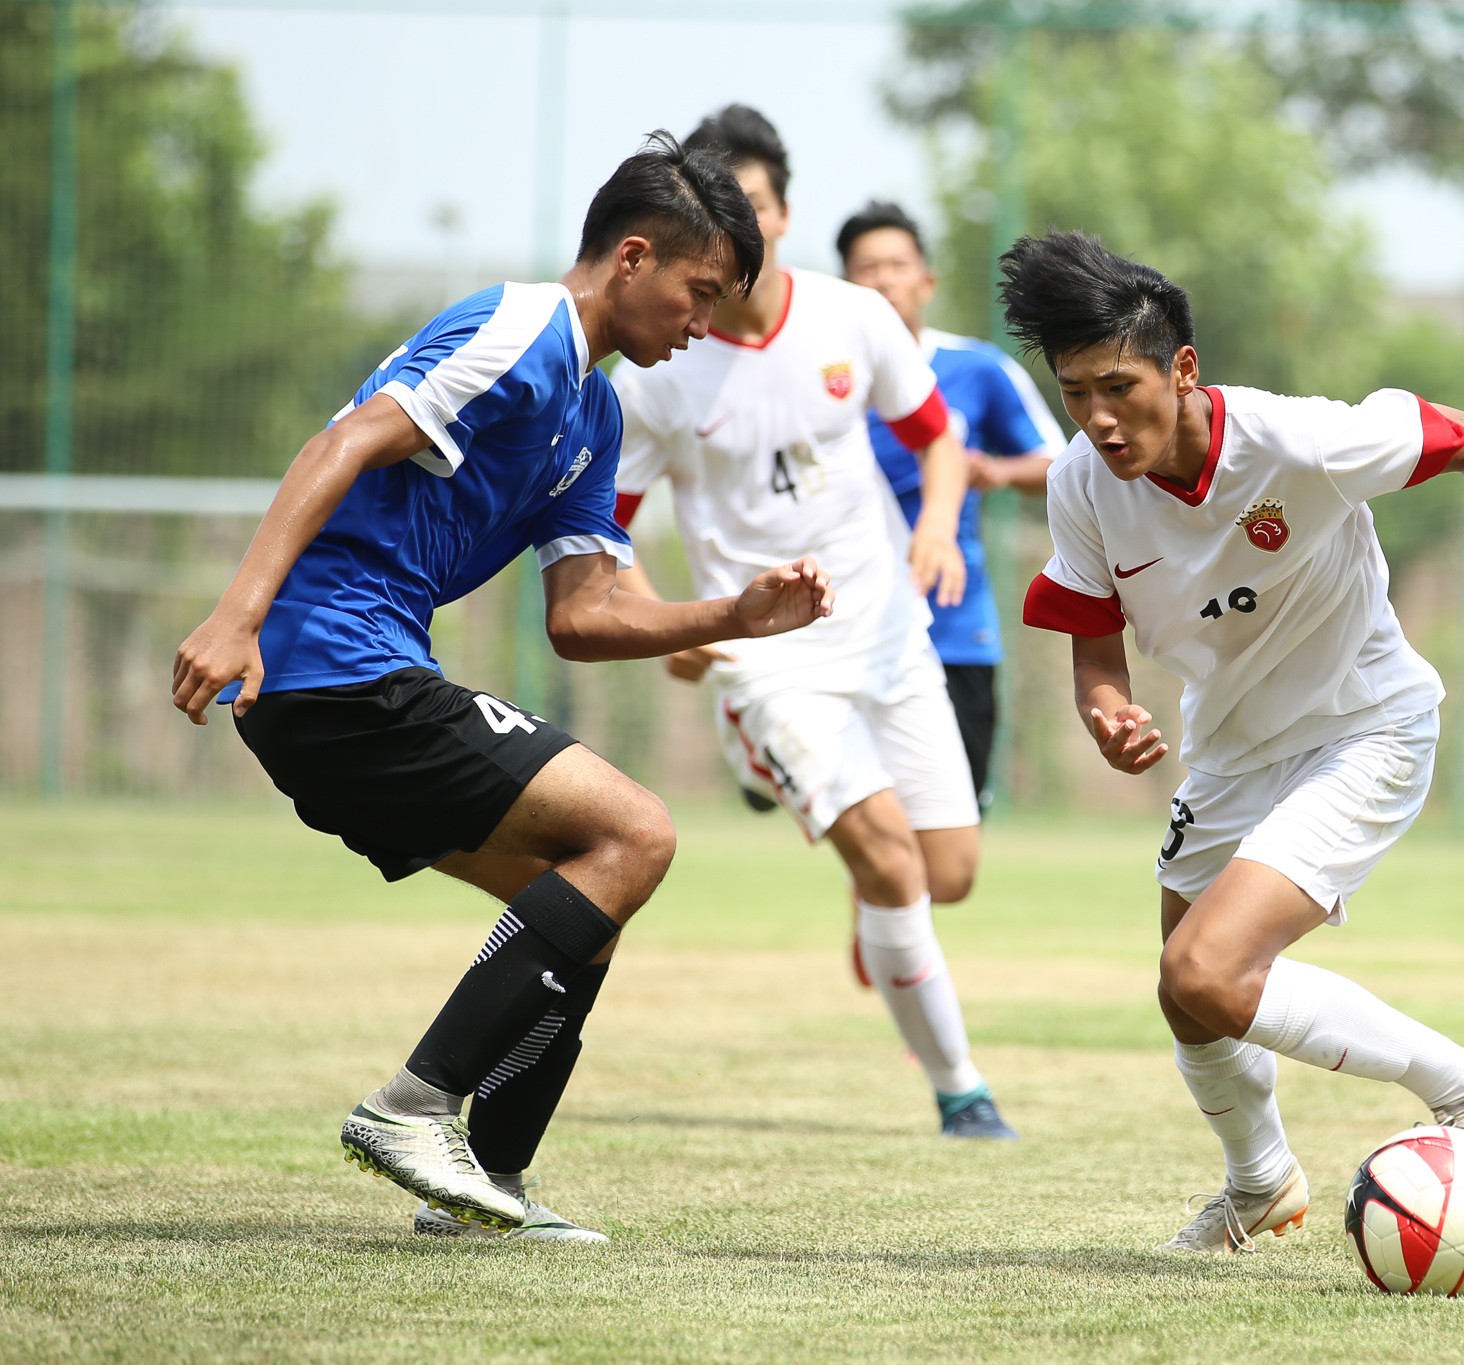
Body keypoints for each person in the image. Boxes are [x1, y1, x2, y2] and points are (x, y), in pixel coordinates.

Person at [170, 133, 831, 1242]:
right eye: (697, 291)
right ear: (631, 259)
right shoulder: (520, 332)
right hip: (334, 665)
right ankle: (413, 1107)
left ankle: (484, 1192)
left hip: (353, 681)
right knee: (639, 832)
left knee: (588, 903)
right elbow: (338, 447)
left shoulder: (594, 413)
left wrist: (734, 616)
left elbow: (582, 617)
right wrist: (235, 616)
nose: (702, 323)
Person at [1005, 230, 1464, 1252]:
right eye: (1074, 390)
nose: (1096, 417)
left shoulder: (1297, 441)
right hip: (1225, 750)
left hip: (1364, 729)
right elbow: (1090, 636)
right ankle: (1259, 1183)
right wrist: (1106, 712)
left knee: (1205, 973)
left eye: (1117, 387)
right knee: (1188, 995)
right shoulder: (1081, 482)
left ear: (1181, 369)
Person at [609, 106, 1015, 1140]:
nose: (735, 232)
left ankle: (768, 779)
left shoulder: (853, 319)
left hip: (888, 636)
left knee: (947, 872)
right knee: (887, 865)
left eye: (749, 206)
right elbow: (598, 526)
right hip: (769, 663)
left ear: (783, 212)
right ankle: (961, 1091)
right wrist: (662, 621)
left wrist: (931, 529)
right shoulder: (659, 366)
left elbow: (937, 437)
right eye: (712, 214)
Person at [837, 200, 1064, 805]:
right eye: (866, 268)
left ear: (926, 281)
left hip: (954, 625)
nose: (883, 279)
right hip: (846, 625)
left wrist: (992, 471)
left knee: (953, 830)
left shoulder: (977, 370)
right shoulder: (823, 380)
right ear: (843, 288)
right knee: (872, 822)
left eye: (896, 264)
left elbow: (1063, 466)